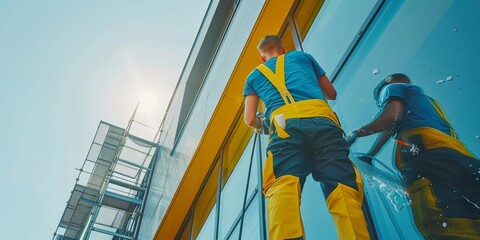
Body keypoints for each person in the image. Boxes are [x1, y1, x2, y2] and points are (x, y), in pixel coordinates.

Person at [243, 35, 370, 239]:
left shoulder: (254, 75)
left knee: (283, 184)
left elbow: (249, 119)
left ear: (262, 57)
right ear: (282, 49)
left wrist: (262, 126)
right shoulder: (303, 58)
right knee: (342, 185)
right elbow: (331, 93)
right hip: (323, 121)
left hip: (284, 126)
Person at [345, 73, 480, 239]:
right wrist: (370, 154)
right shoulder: (428, 101)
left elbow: (392, 117)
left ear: (387, 81)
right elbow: (393, 126)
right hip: (457, 152)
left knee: (445, 225)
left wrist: (356, 133)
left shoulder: (390, 88)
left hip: (423, 149)